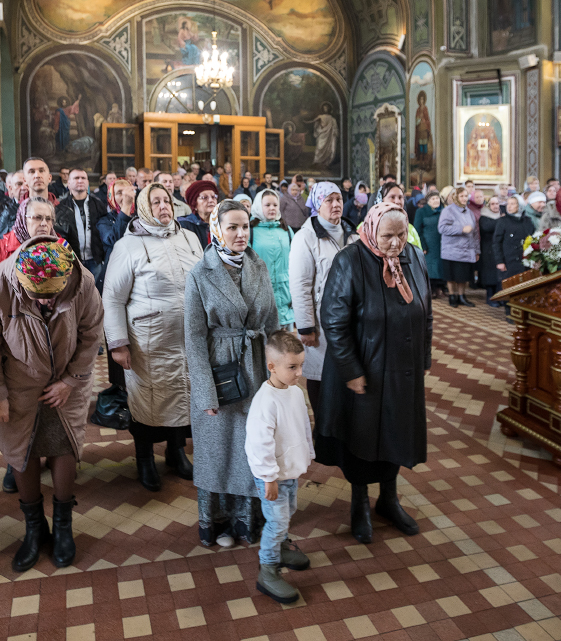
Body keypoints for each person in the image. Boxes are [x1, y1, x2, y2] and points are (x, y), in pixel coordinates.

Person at [0, 237, 103, 571]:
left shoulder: (81, 281)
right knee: (21, 450)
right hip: (15, 383)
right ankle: (34, 528)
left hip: (66, 381)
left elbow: (91, 333)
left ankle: (62, 526)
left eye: (51, 295)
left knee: (63, 446)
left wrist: (71, 381)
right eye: (36, 294)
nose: (44, 302)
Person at [317, 203, 431, 544]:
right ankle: (359, 503)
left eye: (400, 234)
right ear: (371, 230)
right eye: (387, 236)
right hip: (365, 368)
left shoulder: (414, 256)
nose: (395, 243)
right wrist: (350, 369)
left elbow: (425, 313)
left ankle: (388, 499)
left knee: (397, 433)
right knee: (362, 438)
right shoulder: (350, 260)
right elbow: (334, 322)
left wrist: (423, 358)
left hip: (403, 369)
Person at [185, 199, 280, 548]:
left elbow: (272, 322)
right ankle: (217, 522)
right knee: (218, 448)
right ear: (217, 230)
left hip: (254, 364)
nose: (241, 234)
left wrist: (279, 371)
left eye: (245, 226)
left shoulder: (258, 266)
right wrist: (205, 391)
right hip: (219, 365)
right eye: (233, 228)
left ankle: (246, 521)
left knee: (251, 444)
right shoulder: (200, 272)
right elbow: (193, 337)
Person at [103, 182, 202, 491]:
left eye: (167, 202)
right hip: (149, 342)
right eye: (156, 202)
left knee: (183, 396)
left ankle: (177, 453)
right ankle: (144, 459)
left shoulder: (189, 237)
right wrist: (118, 344)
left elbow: (204, 280)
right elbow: (112, 299)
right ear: (144, 207)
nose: (163, 207)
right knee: (148, 400)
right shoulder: (127, 246)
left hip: (188, 338)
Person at [245, 331, 313, 604]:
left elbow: (301, 427)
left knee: (289, 511)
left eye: (301, 366)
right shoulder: (265, 401)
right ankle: (268, 569)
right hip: (271, 475)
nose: (299, 373)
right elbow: (259, 445)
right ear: (271, 366)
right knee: (276, 521)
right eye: (292, 367)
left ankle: (282, 549)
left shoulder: (294, 392)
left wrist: (306, 454)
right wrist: (269, 478)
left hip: (289, 471)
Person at [289, 183, 355, 427]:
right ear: (317, 205)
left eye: (339, 199)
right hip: (321, 318)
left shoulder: (351, 230)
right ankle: (324, 426)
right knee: (320, 375)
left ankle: (345, 424)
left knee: (347, 367)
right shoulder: (305, 237)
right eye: (329, 200)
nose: (336, 204)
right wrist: (306, 326)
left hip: (351, 317)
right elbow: (300, 285)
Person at [0, 197, 64, 304]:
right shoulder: (0, 250)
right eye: (37, 217)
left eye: (48, 219)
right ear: (23, 219)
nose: (44, 223)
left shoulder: (59, 249)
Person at [250, 189, 295, 329]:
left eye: (275, 205)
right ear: (258, 206)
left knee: (283, 345)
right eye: (267, 205)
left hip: (285, 293)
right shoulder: (251, 230)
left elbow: (294, 261)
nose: (272, 208)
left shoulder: (286, 230)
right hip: (261, 293)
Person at [56, 168, 106, 280]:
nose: (80, 180)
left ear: (87, 182)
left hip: (95, 259)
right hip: (72, 261)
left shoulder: (98, 205)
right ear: (68, 183)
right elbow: (59, 235)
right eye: (76, 178)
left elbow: (103, 232)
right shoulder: (61, 207)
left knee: (94, 294)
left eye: (83, 178)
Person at [438, 186, 478, 307]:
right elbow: (442, 228)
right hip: (452, 249)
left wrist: (477, 250)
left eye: (466, 196)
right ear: (456, 197)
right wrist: (461, 229)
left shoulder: (470, 212)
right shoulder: (448, 211)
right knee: (452, 275)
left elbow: (475, 232)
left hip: (467, 249)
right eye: (461, 196)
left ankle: (462, 296)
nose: (464, 198)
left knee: (463, 275)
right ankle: (452, 296)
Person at [493, 196, 533, 315]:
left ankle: (522, 310)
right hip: (508, 258)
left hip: (524, 259)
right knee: (510, 286)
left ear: (519, 205)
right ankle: (509, 311)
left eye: (513, 204)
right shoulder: (502, 221)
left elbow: (532, 239)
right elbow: (496, 242)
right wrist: (499, 261)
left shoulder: (527, 221)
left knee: (524, 286)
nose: (509, 207)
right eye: (508, 204)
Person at [414, 189, 445, 298]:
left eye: (437, 198)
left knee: (440, 267)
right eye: (433, 199)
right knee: (430, 268)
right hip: (428, 243)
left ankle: (439, 288)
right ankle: (430, 290)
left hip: (441, 243)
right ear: (428, 201)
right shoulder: (421, 212)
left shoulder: (443, 210)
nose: (436, 201)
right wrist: (423, 245)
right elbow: (417, 229)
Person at [375, 182, 421, 248]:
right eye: (392, 197)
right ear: (381, 200)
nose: (397, 201)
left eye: (400, 197)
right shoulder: (369, 227)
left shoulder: (410, 229)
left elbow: (418, 255)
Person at [179, 179, 218, 249]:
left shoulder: (223, 222)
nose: (211, 200)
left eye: (213, 197)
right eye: (204, 197)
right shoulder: (185, 225)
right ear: (194, 204)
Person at [479, 196, 503, 306]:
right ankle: (490, 296)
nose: (495, 206)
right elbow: (487, 227)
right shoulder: (484, 217)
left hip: (500, 248)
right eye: (492, 204)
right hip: (487, 248)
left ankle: (500, 296)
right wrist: (501, 220)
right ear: (488, 206)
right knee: (489, 274)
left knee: (499, 274)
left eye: (497, 204)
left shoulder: (503, 216)